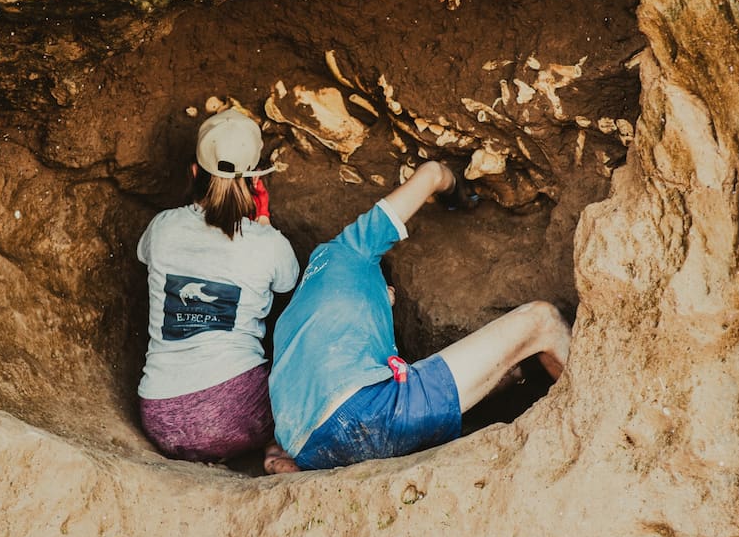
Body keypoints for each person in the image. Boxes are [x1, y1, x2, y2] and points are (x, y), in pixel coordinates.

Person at [269, 161, 571, 470]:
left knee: (503, 375)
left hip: (311, 451)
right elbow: (432, 173)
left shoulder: (290, 323)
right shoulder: (350, 249)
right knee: (541, 319)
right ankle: (595, 409)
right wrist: (459, 193)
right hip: (373, 412)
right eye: (390, 296)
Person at [137, 109, 301, 474]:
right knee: (294, 360)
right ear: (255, 183)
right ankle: (275, 448)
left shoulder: (162, 228)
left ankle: (211, 454)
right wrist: (262, 221)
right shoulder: (269, 245)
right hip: (242, 416)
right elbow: (288, 285)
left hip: (162, 419)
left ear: (195, 172)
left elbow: (144, 255)